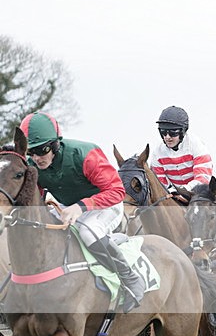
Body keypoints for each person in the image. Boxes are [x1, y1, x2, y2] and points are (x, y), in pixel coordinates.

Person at [20, 112, 145, 311]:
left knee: (88, 231)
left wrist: (82, 207)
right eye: (31, 152)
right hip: (66, 205)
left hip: (105, 205)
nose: (36, 158)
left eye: (41, 150)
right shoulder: (32, 163)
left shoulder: (86, 155)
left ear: (54, 144)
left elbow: (117, 191)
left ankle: (130, 278)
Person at [149, 105, 213, 197]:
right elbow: (159, 181)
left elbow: (203, 178)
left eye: (172, 132)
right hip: (173, 195)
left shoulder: (196, 145)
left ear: (183, 131)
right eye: (163, 131)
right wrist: (173, 192)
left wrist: (183, 190)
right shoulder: (157, 153)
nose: (167, 137)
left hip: (198, 194)